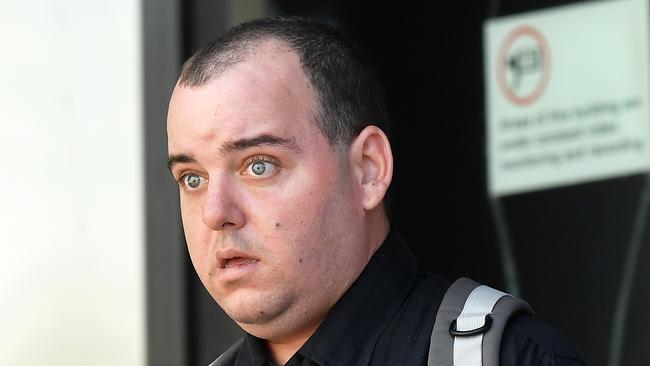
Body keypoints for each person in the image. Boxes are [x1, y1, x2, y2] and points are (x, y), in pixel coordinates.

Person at [166, 16, 585, 366]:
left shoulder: (510, 357)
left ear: (368, 170)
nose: (215, 212)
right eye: (192, 179)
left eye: (259, 165)